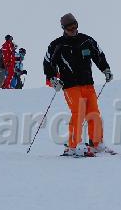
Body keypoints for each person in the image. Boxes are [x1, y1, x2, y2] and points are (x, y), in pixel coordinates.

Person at [43, 13, 113, 157]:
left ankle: (97, 143)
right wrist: (52, 79)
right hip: (70, 86)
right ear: (64, 28)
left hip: (87, 83)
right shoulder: (57, 45)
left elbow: (99, 55)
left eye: (75, 26)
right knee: (78, 111)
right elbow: (48, 63)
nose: (73, 29)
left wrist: (105, 69)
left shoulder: (86, 40)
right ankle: (73, 146)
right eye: (70, 28)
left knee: (94, 113)